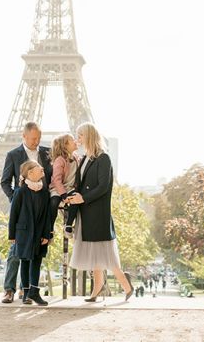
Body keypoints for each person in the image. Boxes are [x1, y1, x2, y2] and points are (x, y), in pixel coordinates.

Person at [66, 122, 133, 302]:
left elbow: (103, 187)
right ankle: (97, 289)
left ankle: (126, 286)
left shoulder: (103, 158)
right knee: (96, 256)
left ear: (88, 136)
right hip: (86, 214)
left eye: (80, 136)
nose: (77, 139)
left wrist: (83, 198)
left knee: (106, 256)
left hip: (98, 214)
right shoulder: (86, 158)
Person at [0, 122, 52, 304]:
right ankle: (9, 289)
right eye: (32, 138)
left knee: (35, 252)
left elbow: (52, 176)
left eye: (38, 138)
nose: (36, 142)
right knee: (16, 252)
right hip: (22, 210)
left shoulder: (47, 153)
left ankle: (27, 290)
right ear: (24, 136)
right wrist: (16, 198)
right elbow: (5, 182)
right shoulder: (13, 155)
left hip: (41, 207)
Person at [8, 160, 52, 306]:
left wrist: (47, 234)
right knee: (25, 262)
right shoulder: (20, 192)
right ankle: (26, 293)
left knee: (37, 262)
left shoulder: (44, 192)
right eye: (39, 167)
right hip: (24, 233)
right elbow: (13, 214)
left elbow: (47, 216)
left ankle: (34, 291)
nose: (42, 169)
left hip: (39, 233)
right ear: (30, 172)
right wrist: (12, 235)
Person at [48, 133, 79, 236]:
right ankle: (50, 228)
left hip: (70, 188)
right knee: (54, 202)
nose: (75, 141)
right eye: (72, 140)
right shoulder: (59, 160)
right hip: (57, 188)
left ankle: (69, 224)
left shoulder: (76, 158)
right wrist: (63, 194)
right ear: (65, 145)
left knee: (76, 199)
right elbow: (57, 180)